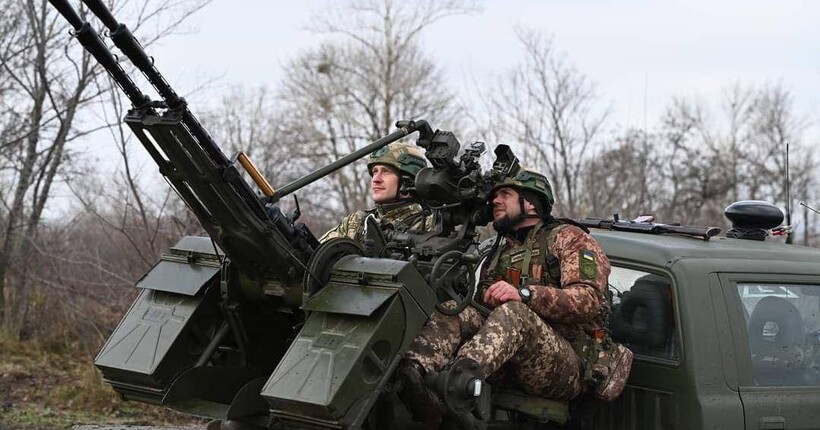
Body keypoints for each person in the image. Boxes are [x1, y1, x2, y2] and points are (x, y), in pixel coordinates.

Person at [400, 168, 628, 426]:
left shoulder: (569, 239)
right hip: (509, 361)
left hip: (567, 365)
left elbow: (587, 300)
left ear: (531, 203)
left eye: (505, 194)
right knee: (457, 309)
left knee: (515, 313)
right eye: (495, 195)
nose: (495, 201)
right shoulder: (500, 251)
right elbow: (482, 314)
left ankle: (457, 383)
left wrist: (525, 294)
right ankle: (416, 374)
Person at [320, 142, 433, 242]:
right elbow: (316, 256)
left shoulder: (429, 226)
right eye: (374, 172)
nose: (376, 179)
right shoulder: (356, 223)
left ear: (407, 181)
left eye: (386, 172)